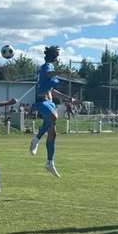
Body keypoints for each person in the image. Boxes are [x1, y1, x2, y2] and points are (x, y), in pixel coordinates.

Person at [28, 45, 73, 178]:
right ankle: (36, 139)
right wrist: (63, 71)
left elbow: (51, 90)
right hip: (41, 101)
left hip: (50, 101)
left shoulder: (52, 68)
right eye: (57, 55)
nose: (58, 58)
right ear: (54, 57)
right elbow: (48, 74)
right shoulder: (46, 66)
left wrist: (66, 97)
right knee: (54, 116)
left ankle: (49, 163)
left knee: (53, 134)